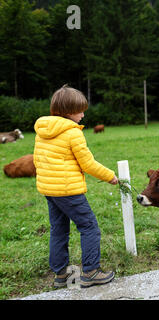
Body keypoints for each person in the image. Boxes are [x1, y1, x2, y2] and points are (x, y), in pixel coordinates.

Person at [33, 84, 119, 288]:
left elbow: (38, 160)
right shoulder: (73, 133)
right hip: (68, 190)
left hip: (49, 190)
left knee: (58, 229)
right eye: (80, 110)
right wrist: (111, 177)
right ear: (69, 112)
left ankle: (61, 274)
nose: (83, 114)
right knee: (89, 226)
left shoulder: (42, 131)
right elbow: (88, 164)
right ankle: (91, 271)